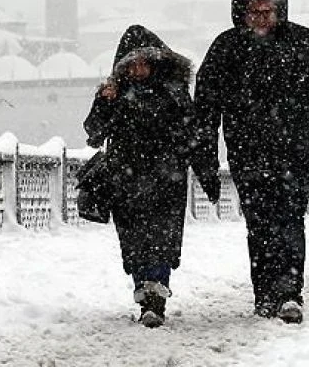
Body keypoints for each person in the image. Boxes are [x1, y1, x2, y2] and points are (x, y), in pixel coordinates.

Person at [190, 0, 309, 324]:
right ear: (242, 13)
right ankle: (265, 294)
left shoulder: (303, 43)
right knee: (259, 223)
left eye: (268, 11)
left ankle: (289, 293)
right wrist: (204, 156)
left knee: (289, 220)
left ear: (279, 10)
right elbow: (205, 108)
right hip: (247, 152)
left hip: (294, 151)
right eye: (255, 12)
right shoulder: (226, 49)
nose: (262, 19)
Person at [83, 25, 215, 328]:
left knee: (161, 239)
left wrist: (206, 171)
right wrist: (105, 101)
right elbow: (93, 133)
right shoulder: (114, 95)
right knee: (134, 240)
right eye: (133, 64)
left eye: (144, 62)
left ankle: (154, 297)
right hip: (126, 181)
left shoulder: (174, 94)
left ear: (156, 62)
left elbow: (194, 135)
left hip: (166, 180)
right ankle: (143, 289)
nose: (139, 69)